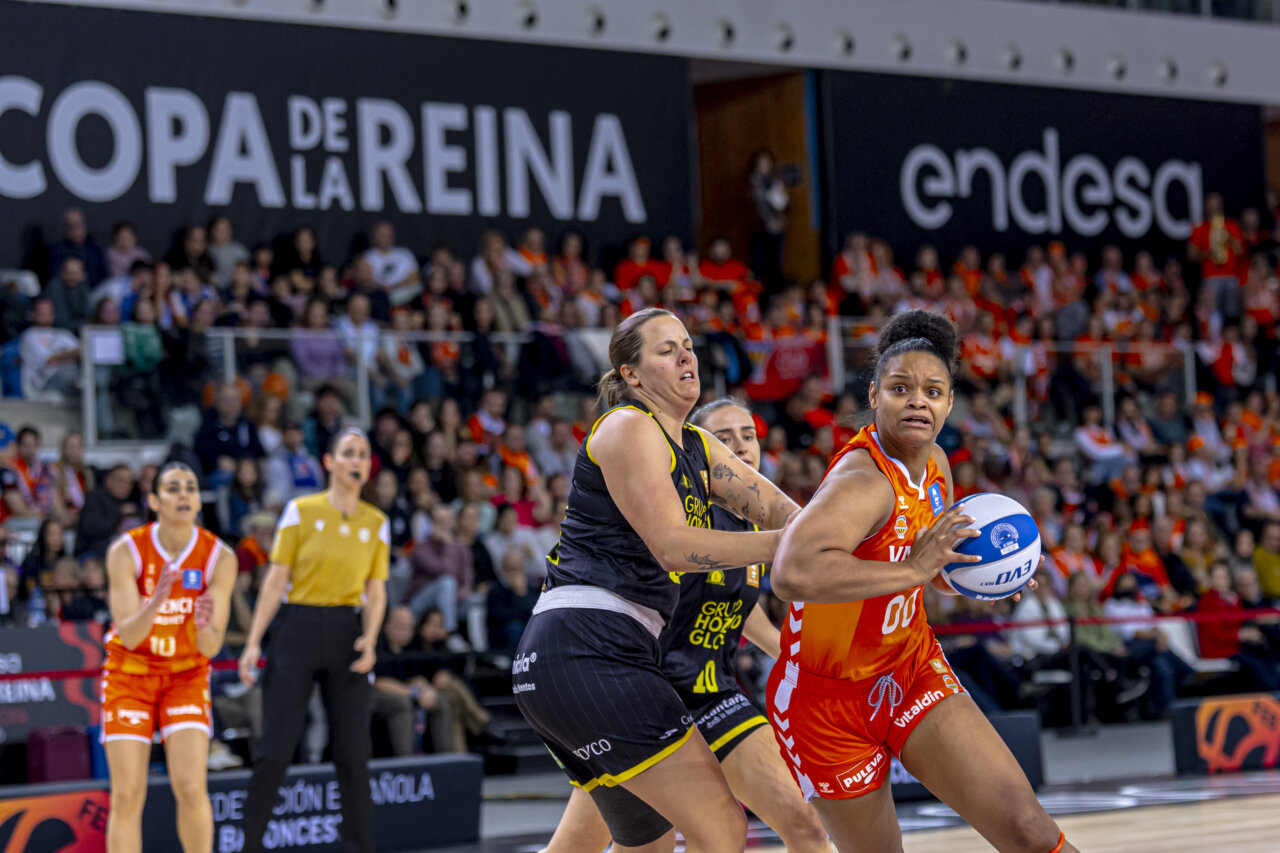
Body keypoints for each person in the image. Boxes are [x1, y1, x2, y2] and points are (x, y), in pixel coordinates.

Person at [766, 309, 1074, 853]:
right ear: (874, 395)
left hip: (910, 668)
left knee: (1030, 830)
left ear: (949, 404)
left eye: (933, 392)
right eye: (900, 389)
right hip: (826, 703)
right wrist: (913, 569)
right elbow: (791, 573)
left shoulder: (935, 465)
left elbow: (932, 570)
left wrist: (983, 577)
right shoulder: (862, 480)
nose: (917, 402)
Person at [512, 308, 800, 852]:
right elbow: (673, 546)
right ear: (632, 375)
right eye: (666, 350)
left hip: (587, 658)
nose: (686, 356)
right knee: (722, 826)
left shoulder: (696, 446)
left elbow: (789, 515)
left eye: (687, 345)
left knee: (646, 844)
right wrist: (784, 545)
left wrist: (882, 538)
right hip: (588, 650)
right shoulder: (628, 425)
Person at [541, 397, 829, 853]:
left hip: (713, 694)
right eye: (724, 439)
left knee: (805, 823)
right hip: (649, 694)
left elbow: (736, 604)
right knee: (606, 845)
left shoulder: (750, 524)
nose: (740, 448)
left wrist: (790, 654)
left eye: (748, 436)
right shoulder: (678, 518)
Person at [237, 428, 388, 853]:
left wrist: (370, 638)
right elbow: (275, 580)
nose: (357, 461)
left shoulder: (376, 522)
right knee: (276, 750)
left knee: (353, 754)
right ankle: (250, 847)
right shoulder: (300, 511)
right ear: (329, 462)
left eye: (363, 454)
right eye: (349, 453)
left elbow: (376, 590)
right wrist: (253, 641)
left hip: (347, 631)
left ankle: (358, 847)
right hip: (297, 627)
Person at [100, 462, 238, 853]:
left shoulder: (220, 557)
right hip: (130, 675)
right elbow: (130, 635)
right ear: (155, 501)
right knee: (127, 793)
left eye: (190, 488)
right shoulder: (125, 550)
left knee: (191, 786)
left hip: (186, 676)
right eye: (173, 488)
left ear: (199, 500)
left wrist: (204, 626)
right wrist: (156, 600)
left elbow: (211, 648)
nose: (183, 495)